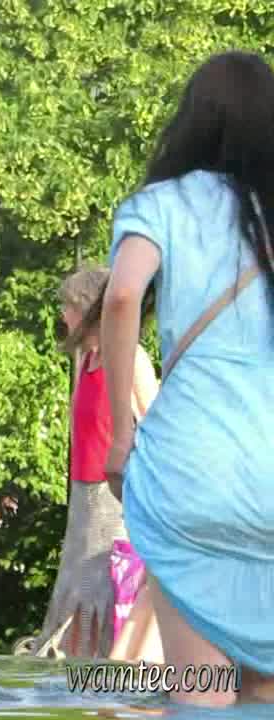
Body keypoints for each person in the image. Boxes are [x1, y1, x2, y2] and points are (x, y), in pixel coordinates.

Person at [102, 50, 274, 707]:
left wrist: (122, 433)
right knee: (266, 692)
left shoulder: (163, 204)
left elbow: (122, 295)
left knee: (200, 693)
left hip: (194, 470)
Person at [31, 266, 159, 660]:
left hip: (116, 497)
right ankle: (73, 671)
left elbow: (155, 422)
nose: (64, 315)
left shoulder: (131, 358)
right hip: (83, 497)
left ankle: (110, 669)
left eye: (69, 306)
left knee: (106, 590)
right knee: (76, 590)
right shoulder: (85, 360)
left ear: (88, 309)